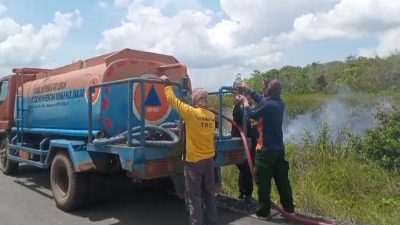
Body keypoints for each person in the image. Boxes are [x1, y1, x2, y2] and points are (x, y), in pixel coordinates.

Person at [161, 75, 217, 225]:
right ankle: (212, 221)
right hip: (209, 161)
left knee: (194, 197)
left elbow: (174, 101)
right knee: (209, 193)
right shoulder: (212, 116)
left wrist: (167, 85)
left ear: (196, 100)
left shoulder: (191, 114)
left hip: (194, 163)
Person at [239, 79, 294, 219]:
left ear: (269, 90)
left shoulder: (267, 105)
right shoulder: (279, 103)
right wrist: (249, 90)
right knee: (282, 180)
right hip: (278, 149)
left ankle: (263, 212)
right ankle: (289, 210)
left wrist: (245, 102)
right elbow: (262, 99)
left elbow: (251, 114)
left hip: (265, 150)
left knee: (263, 182)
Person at [231, 94, 258, 200]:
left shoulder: (254, 110)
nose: (248, 98)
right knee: (244, 168)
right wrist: (239, 102)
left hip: (251, 143)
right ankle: (245, 193)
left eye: (249, 97)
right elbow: (236, 115)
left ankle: (245, 193)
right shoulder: (238, 108)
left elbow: (255, 126)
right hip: (239, 143)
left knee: (247, 168)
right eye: (246, 96)